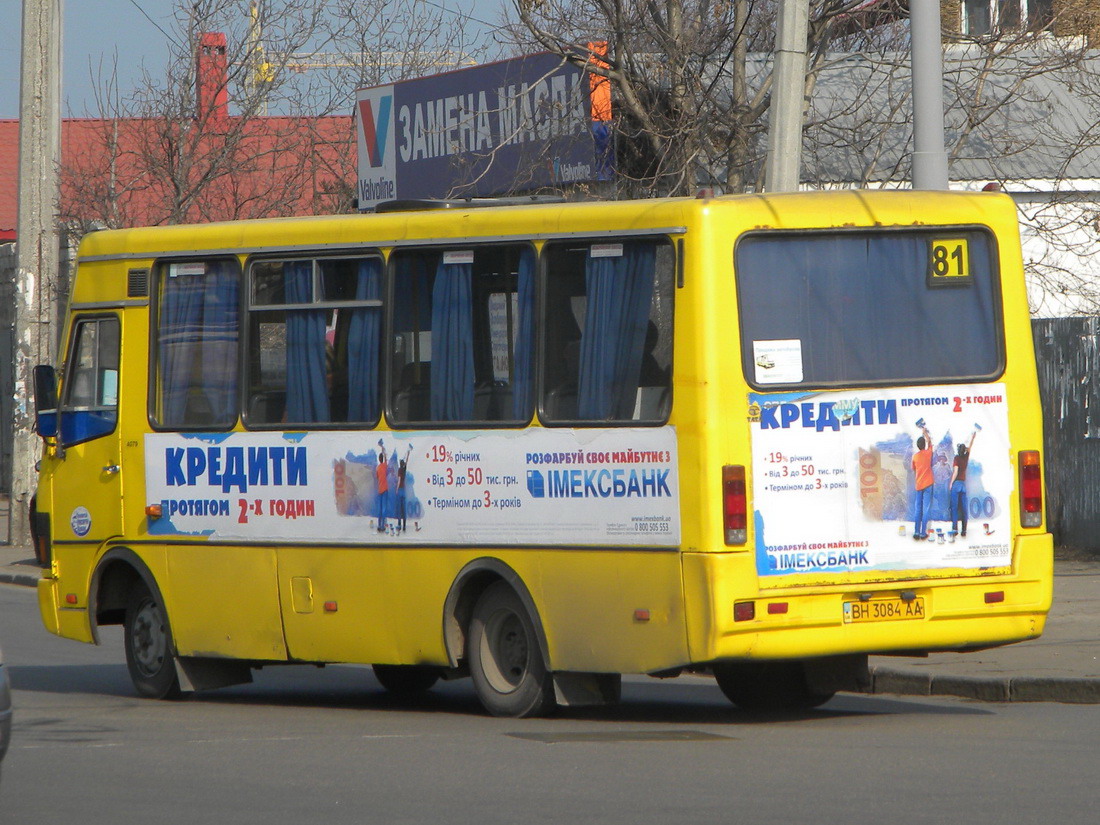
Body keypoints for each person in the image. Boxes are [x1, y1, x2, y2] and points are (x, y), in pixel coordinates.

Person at [949, 429, 979, 537]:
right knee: (964, 508)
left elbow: (955, 471)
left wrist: (951, 483)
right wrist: (973, 438)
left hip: (956, 484)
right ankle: (964, 530)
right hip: (963, 485)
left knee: (955, 508)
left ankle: (955, 529)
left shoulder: (956, 458)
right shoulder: (966, 458)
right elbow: (970, 447)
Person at [912, 420, 934, 540]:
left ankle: (916, 532)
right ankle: (922, 533)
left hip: (919, 484)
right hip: (928, 484)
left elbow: (913, 469)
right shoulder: (928, 453)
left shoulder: (915, 457)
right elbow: (930, 442)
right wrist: (924, 432)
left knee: (917, 509)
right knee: (925, 509)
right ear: (924, 445)